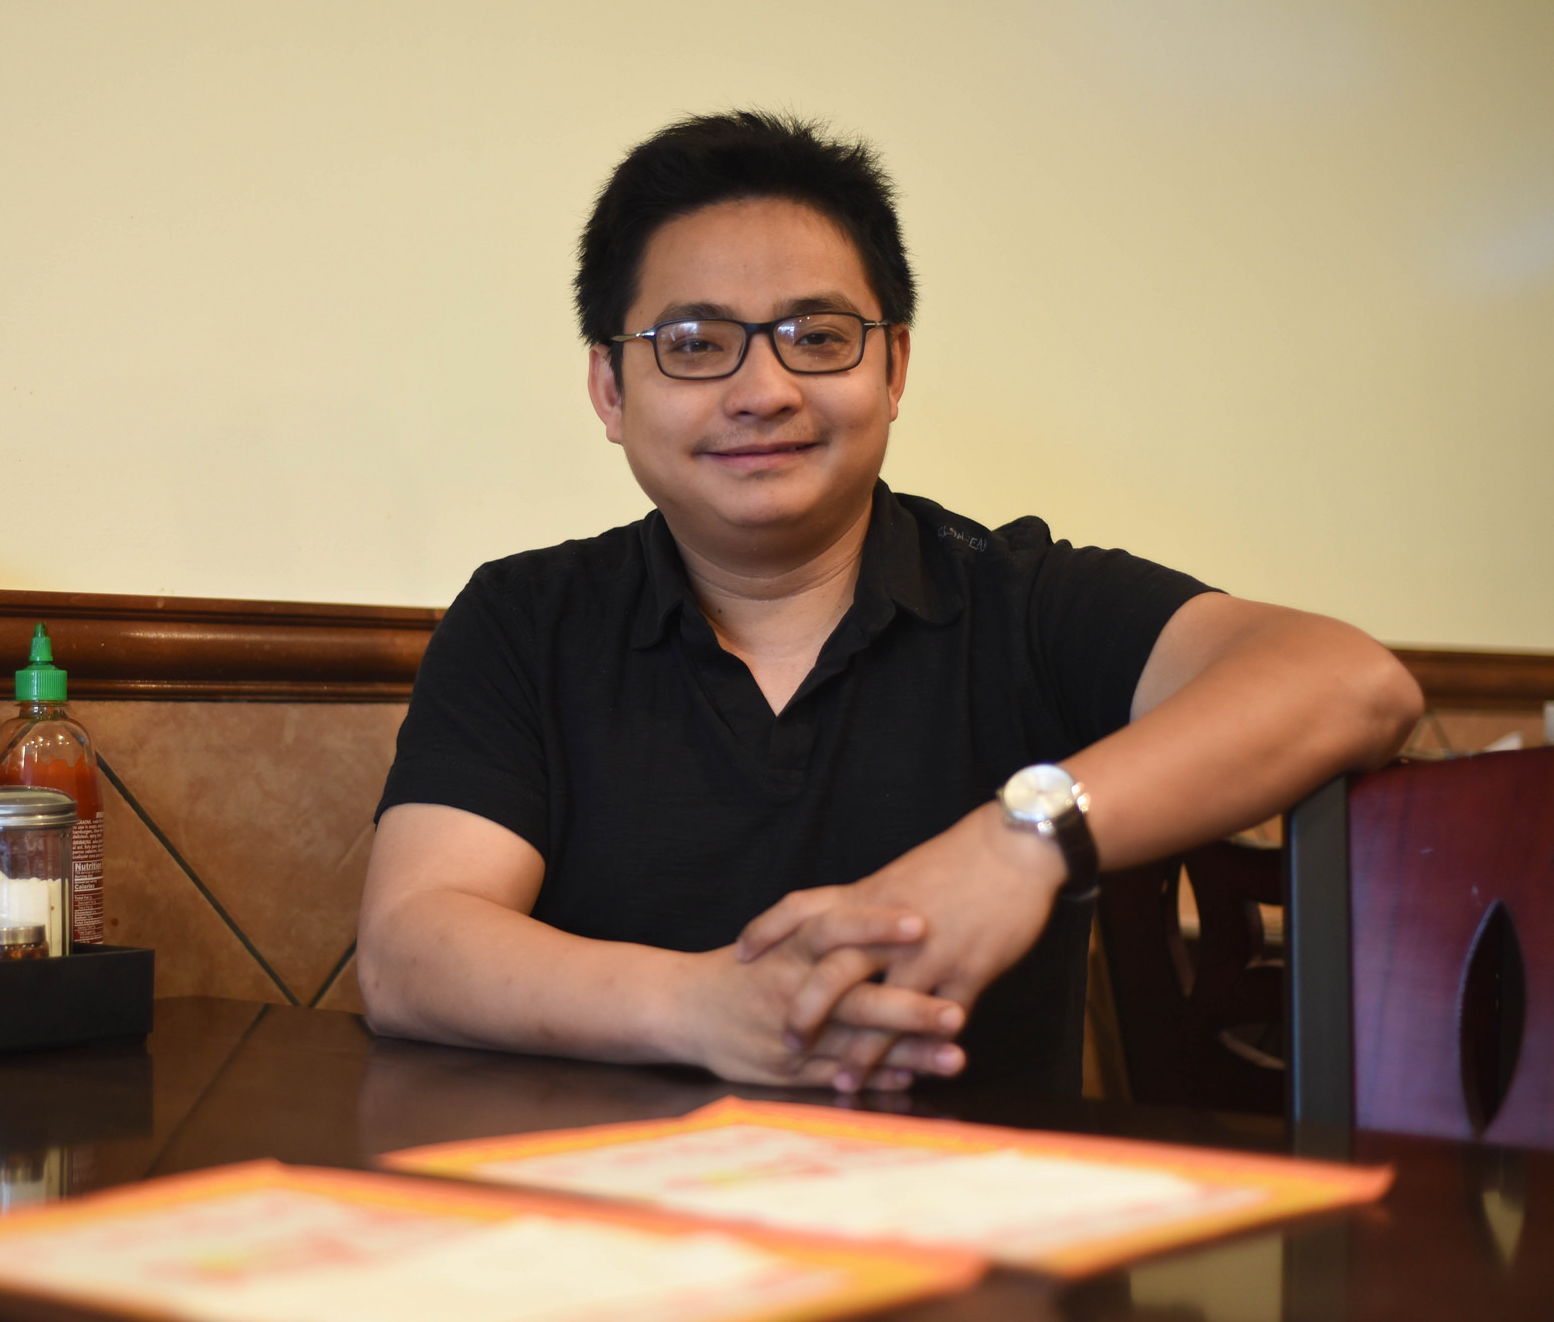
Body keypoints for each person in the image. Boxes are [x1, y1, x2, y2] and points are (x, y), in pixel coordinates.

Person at [356, 111, 1422, 1096]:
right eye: (693, 342)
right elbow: (410, 947)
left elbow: (1348, 682)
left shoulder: (1019, 600)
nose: (763, 388)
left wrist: (1017, 837)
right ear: (608, 388)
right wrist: (705, 1008)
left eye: (816, 336)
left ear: (893, 363)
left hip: (978, 1263)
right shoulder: (523, 618)